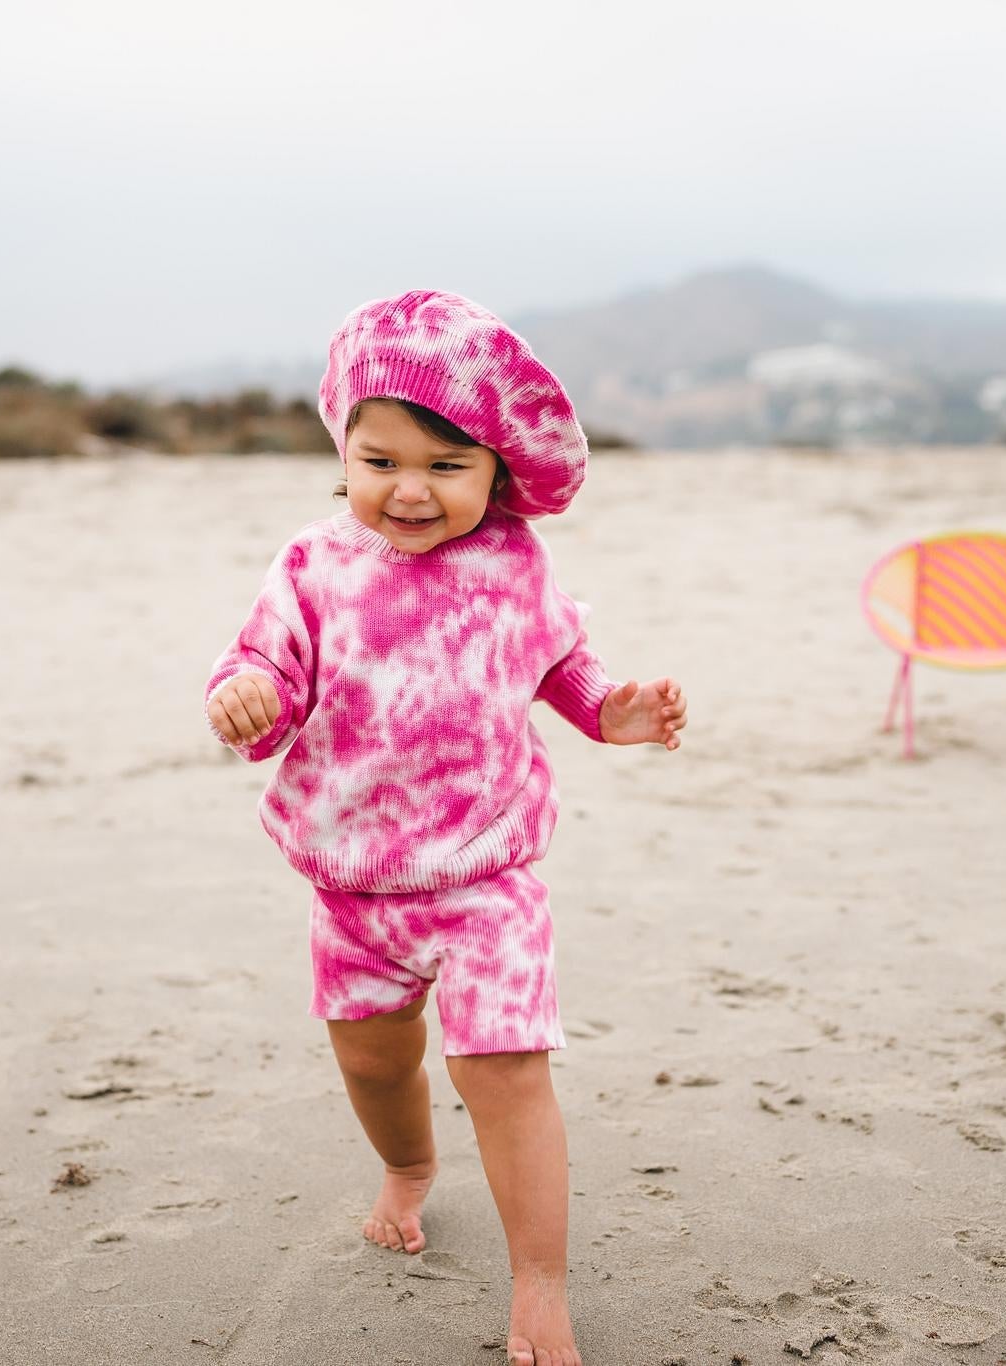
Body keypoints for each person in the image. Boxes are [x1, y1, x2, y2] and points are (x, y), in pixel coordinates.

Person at [203, 290, 686, 1366]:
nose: (408, 491)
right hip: (354, 885)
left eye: (444, 466)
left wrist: (615, 711)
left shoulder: (514, 562)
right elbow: (269, 673)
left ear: (496, 471)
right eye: (379, 462)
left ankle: (539, 1285)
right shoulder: (312, 566)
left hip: (485, 876)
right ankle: (409, 1165)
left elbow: (559, 663)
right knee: (376, 1063)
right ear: (344, 455)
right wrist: (245, 696)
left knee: (504, 1067)